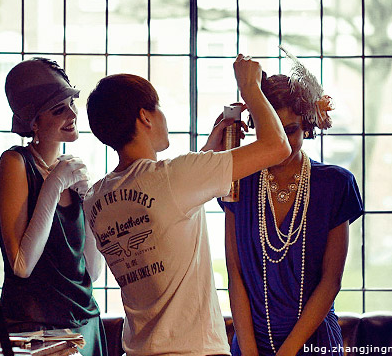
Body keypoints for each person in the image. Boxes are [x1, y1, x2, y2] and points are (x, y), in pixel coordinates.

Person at [83, 54, 291, 356]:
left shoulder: (95, 198)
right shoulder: (172, 178)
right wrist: (250, 88)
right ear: (145, 117)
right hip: (195, 350)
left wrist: (207, 154)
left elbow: (163, 209)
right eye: (159, 108)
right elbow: (278, 146)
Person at [219, 49, 363, 356]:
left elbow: (330, 282)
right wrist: (249, 352)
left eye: (291, 130)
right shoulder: (237, 181)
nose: (282, 142)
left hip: (315, 343)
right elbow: (235, 275)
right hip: (250, 344)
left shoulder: (335, 184)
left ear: (307, 126)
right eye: (271, 129)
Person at [0, 58, 108, 356]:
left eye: (71, 103)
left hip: (85, 322)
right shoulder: (15, 163)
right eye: (59, 109)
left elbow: (93, 271)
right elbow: (21, 265)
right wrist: (53, 186)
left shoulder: (69, 171)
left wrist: (90, 204)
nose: (72, 114)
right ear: (34, 122)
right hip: (35, 329)